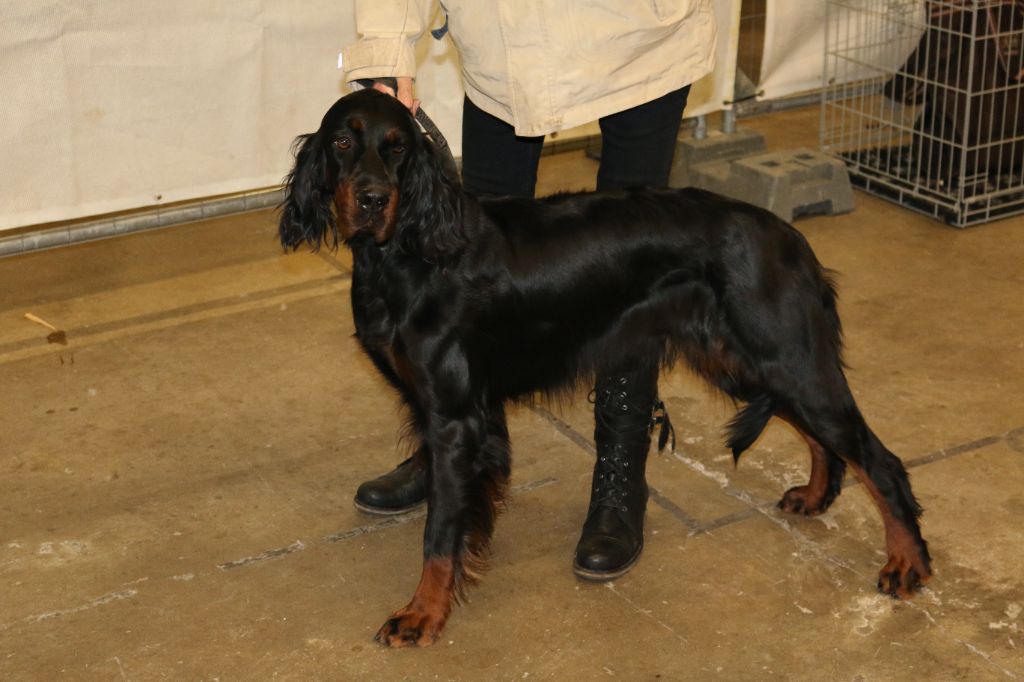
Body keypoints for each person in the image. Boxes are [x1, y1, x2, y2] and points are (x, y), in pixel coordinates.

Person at [340, 0, 717, 580]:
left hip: (641, 36)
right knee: (470, 271)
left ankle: (620, 474)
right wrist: (386, 49)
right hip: (504, 48)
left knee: (633, 273)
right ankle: (454, 446)